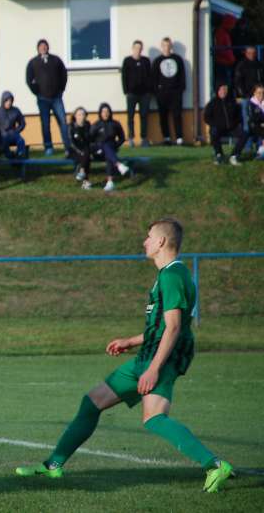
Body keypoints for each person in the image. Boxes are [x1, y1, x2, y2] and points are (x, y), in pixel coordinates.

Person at [15, 219, 235, 494]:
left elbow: (176, 327)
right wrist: (131, 341)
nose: (145, 241)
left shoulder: (172, 275)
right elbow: (163, 325)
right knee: (93, 401)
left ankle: (214, 465)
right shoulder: (171, 274)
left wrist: (154, 368)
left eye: (149, 236)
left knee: (154, 418)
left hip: (161, 359)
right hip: (148, 355)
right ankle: (53, 465)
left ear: (162, 242)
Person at [26, 39, 69, 155]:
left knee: (63, 122)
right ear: (38, 49)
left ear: (48, 47)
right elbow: (29, 79)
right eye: (41, 46)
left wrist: (61, 89)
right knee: (45, 124)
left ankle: (68, 147)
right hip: (42, 99)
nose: (43, 48)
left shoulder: (56, 60)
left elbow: (64, 74)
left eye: (45, 46)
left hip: (57, 98)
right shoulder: (33, 62)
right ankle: (48, 147)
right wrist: (37, 92)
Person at [152, 37, 186, 145]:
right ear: (161, 46)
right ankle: (166, 138)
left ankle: (179, 138)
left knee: (177, 115)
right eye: (164, 45)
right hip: (162, 94)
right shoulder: (157, 61)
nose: (166, 47)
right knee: (163, 115)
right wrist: (157, 92)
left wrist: (180, 89)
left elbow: (182, 76)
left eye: (168, 45)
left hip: (176, 92)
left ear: (171, 46)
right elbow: (154, 78)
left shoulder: (178, 59)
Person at [90, 103, 130, 192]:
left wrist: (116, 145)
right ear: (100, 113)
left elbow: (122, 138)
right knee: (105, 145)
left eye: (107, 111)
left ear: (110, 112)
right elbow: (90, 140)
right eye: (103, 111)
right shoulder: (96, 125)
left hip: (110, 150)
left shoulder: (115, 124)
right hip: (98, 151)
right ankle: (119, 165)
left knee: (109, 152)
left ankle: (110, 182)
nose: (105, 113)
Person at [203, 83, 245, 166]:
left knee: (244, 134)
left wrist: (236, 123)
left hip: (232, 128)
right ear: (218, 91)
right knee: (213, 132)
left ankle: (234, 155)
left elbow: (239, 116)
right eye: (221, 90)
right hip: (218, 128)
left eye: (225, 90)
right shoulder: (212, 103)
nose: (223, 92)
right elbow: (206, 117)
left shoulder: (233, 102)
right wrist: (214, 124)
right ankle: (219, 154)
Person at [121, 40, 152, 147]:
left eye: (140, 48)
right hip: (132, 94)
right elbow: (124, 77)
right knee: (130, 116)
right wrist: (126, 91)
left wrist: (149, 91)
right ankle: (130, 138)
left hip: (145, 94)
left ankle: (144, 138)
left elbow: (150, 76)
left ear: (141, 49)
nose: (138, 50)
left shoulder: (146, 61)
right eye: (136, 48)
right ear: (132, 48)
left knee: (144, 115)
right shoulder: (127, 61)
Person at [233, 46, 263, 136]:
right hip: (247, 96)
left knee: (261, 119)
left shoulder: (259, 65)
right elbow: (237, 82)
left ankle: (260, 144)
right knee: (247, 120)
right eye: (250, 53)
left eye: (254, 53)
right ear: (246, 53)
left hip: (260, 97)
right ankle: (247, 144)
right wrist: (244, 95)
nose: (252, 55)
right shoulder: (241, 65)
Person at [0, 91, 27, 159]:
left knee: (21, 141)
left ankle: (20, 155)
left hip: (13, 133)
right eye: (7, 100)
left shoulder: (16, 110)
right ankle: (10, 157)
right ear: (3, 101)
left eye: (10, 100)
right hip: (2, 134)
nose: (9, 102)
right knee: (4, 141)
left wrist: (17, 130)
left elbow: (22, 123)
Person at [68, 107, 92, 190]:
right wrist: (79, 151)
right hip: (74, 150)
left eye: (83, 114)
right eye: (79, 114)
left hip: (85, 149)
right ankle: (86, 181)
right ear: (75, 116)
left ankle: (82, 172)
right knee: (86, 155)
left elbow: (89, 139)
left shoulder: (88, 125)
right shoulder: (71, 126)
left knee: (86, 154)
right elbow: (71, 143)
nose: (81, 116)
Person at [213, 15, 236, 89]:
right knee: (223, 84)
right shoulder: (220, 32)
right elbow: (219, 48)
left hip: (226, 63)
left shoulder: (225, 33)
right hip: (222, 64)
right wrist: (229, 57)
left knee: (227, 84)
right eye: (232, 23)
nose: (233, 26)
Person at [245, 83, 264, 158]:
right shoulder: (251, 104)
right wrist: (261, 123)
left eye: (263, 93)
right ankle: (260, 153)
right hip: (254, 126)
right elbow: (252, 118)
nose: (261, 95)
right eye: (259, 93)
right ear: (254, 93)